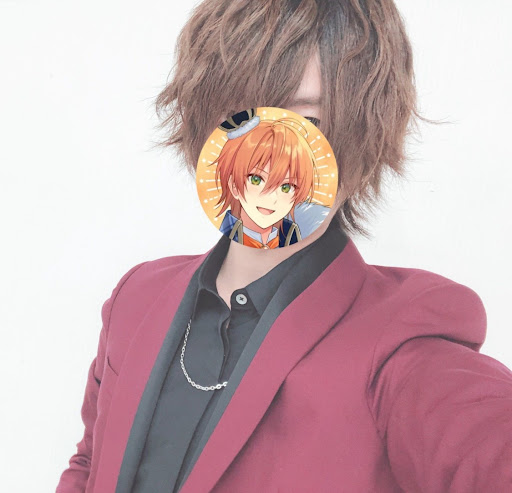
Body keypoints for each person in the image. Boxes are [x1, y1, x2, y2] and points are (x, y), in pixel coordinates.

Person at [56, 1, 512, 492]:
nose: (269, 159)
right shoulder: (137, 298)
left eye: (308, 122)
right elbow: (90, 465)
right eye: (241, 117)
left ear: (364, 139)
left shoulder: (404, 344)